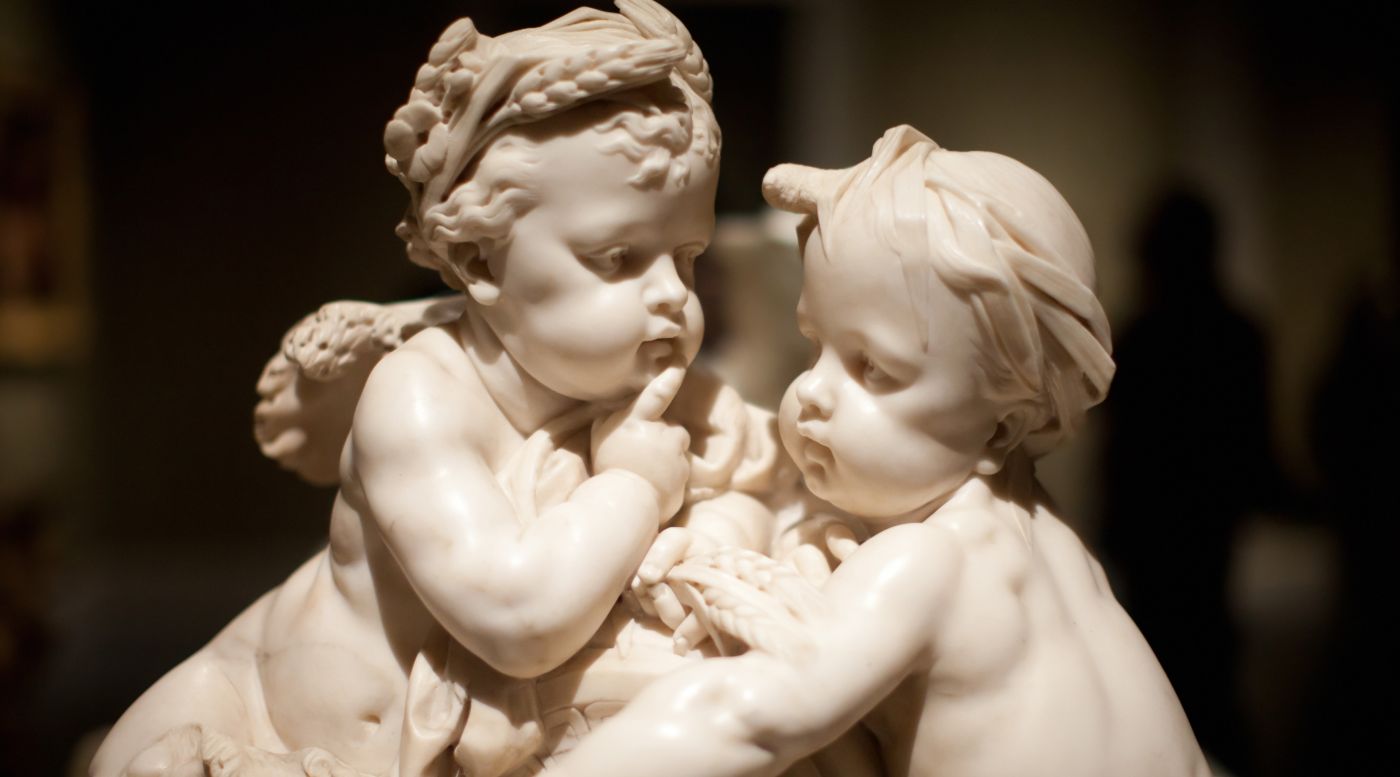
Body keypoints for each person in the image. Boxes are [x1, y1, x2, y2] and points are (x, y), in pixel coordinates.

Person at [89, 4, 781, 776]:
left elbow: (776, 490)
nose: (672, 296)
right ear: (482, 262)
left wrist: (727, 528)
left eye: (687, 256)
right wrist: (633, 485)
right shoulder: (421, 396)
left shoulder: (673, 395)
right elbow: (517, 617)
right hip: (256, 716)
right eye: (618, 258)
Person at [544, 126, 1210, 777]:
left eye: (873, 370)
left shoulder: (926, 561)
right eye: (815, 346)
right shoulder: (1052, 542)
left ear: (1000, 431)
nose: (811, 390)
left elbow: (743, 720)